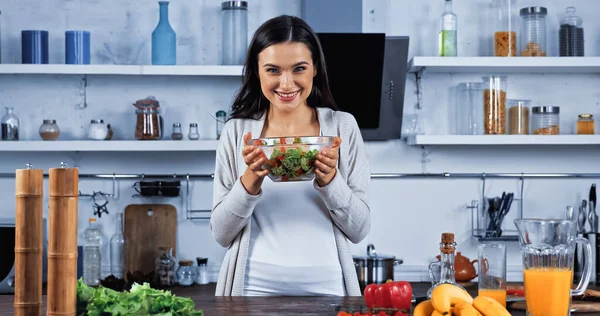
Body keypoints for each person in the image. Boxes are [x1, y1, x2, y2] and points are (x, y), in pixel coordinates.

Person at [211, 15, 371, 297]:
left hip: (328, 288)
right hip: (251, 288)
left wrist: (331, 180)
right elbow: (222, 234)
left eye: (299, 68)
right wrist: (250, 179)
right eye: (273, 70)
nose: (286, 84)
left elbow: (359, 230)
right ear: (256, 71)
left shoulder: (342, 127)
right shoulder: (236, 133)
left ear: (315, 69)